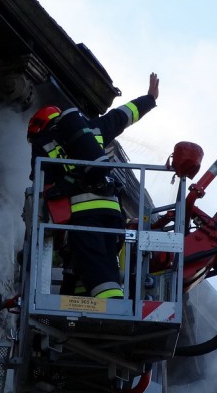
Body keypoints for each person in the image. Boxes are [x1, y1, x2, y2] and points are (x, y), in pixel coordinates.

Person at [26, 73, 160, 299]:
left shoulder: (44, 145)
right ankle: (86, 302)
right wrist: (150, 98)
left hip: (83, 215)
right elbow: (123, 115)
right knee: (93, 263)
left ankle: (112, 305)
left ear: (39, 127)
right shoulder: (92, 130)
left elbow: (42, 188)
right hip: (112, 213)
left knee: (94, 264)